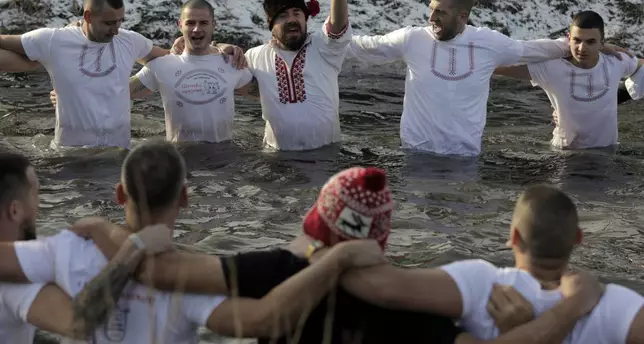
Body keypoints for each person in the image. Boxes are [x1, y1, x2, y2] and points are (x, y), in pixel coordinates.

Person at [70, 167, 604, 344]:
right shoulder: (413, 303)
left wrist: (119, 235)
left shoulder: (277, 269)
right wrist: (568, 309)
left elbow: (162, 273)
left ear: (316, 221)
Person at [0, 141, 385, 343]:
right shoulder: (189, 281)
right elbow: (267, 320)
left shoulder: (65, 247)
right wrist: (336, 259)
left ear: (120, 194)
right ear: (185, 197)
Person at [346, 0, 629, 157]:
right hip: (415, 153)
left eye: (440, 12)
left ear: (462, 16)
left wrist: (581, 45)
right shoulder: (412, 38)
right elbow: (366, 46)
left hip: (466, 158)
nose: (431, 18)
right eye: (431, 10)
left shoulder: (488, 43)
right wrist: (327, 38)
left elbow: (530, 49)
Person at [336, 185, 644, 343]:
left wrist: (322, 252)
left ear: (513, 236)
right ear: (579, 238)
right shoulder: (612, 303)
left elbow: (382, 288)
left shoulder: (483, 284)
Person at [173, 0, 352, 151]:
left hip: (326, 156)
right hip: (275, 160)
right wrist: (217, 46)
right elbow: (219, 69)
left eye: (297, 13)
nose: (292, 19)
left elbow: (337, 25)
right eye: (283, 15)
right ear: (271, 25)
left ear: (305, 18)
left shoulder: (325, 48)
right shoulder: (256, 56)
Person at [0, 152, 174, 342]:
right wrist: (135, 246)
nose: (38, 205)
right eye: (35, 194)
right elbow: (79, 324)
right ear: (15, 210)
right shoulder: (15, 282)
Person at [0, 0, 169, 149]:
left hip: (117, 154)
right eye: (109, 23)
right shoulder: (54, 41)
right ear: (88, 16)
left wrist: (185, 44)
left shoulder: (130, 41)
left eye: (120, 21)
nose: (116, 30)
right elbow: (4, 42)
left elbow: (167, 59)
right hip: (70, 156)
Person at [494, 11, 643, 150]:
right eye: (577, 40)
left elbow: (639, 66)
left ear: (602, 43)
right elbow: (497, 66)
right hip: (566, 153)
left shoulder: (616, 61)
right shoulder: (550, 68)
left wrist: (628, 91)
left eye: (590, 42)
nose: (582, 48)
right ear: (568, 39)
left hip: (607, 150)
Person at [119, 0, 254, 143]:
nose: (197, 29)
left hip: (223, 158)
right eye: (190, 23)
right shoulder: (162, 66)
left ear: (213, 25)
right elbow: (119, 92)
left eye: (203, 23)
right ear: (180, 25)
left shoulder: (232, 63)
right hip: (179, 159)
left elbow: (267, 94)